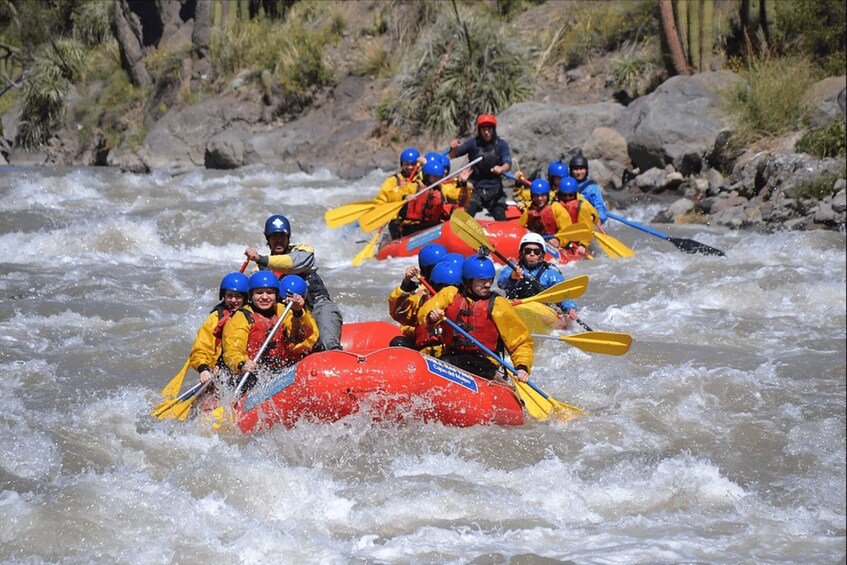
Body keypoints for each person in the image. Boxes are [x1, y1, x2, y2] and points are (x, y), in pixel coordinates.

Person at [418, 254, 533, 382]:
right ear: (468, 280)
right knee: (443, 361)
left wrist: (522, 367)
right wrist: (432, 317)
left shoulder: (498, 304)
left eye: (490, 279)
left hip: (484, 363)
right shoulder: (450, 294)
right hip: (451, 355)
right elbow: (423, 313)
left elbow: (520, 341)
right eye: (482, 280)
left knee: (447, 362)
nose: (488, 284)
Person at [244, 214, 343, 351]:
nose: (278, 241)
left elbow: (291, 263)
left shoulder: (303, 251)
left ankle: (334, 352)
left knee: (328, 342)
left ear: (288, 237)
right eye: (274, 237)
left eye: (282, 237)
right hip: (288, 315)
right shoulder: (259, 271)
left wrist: (261, 258)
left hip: (317, 306)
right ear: (267, 238)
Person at [222, 272, 318, 393]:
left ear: (276, 294)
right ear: (251, 295)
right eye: (259, 293)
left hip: (282, 371)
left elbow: (300, 336)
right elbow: (232, 349)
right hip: (252, 375)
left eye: (269, 292)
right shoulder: (242, 317)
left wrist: (298, 313)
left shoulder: (283, 310)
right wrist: (241, 364)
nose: (265, 297)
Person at [496, 232, 579, 322]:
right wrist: (512, 277)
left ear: (542, 255)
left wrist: (570, 309)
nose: (532, 254)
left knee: (551, 319)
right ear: (521, 253)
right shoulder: (511, 268)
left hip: (542, 314)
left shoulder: (551, 274)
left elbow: (563, 295)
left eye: (537, 251)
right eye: (528, 251)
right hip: (516, 307)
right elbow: (501, 284)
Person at [188, 272, 249, 385]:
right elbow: (201, 348)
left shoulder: (252, 315)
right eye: (230, 296)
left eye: (238, 296)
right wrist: (203, 369)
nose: (234, 300)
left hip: (247, 365)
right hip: (221, 370)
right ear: (223, 297)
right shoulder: (215, 318)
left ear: (245, 298)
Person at [449, 114, 512, 221]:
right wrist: (453, 148)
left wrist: (501, 169)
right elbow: (453, 155)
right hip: (476, 188)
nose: (486, 132)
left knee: (499, 213)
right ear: (479, 130)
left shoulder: (501, 144)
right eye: (483, 129)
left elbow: (508, 163)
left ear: (494, 129)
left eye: (489, 129)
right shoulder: (473, 144)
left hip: (495, 189)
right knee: (468, 213)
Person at [388, 243, 447, 347]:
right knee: (398, 343)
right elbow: (397, 313)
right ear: (426, 270)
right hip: (425, 343)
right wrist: (406, 282)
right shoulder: (419, 292)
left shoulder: (457, 289)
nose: (441, 272)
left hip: (447, 343)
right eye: (435, 268)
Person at [392, 160, 452, 238]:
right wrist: (404, 197)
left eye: (439, 177)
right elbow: (394, 194)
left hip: (430, 226)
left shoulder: (440, 189)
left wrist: (463, 183)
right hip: (411, 226)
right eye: (434, 177)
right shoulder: (413, 187)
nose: (437, 180)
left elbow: (454, 193)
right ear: (426, 176)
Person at [550, 176, 598, 255]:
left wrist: (583, 245)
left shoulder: (581, 206)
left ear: (575, 194)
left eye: (570, 195)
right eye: (564, 195)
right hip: (557, 237)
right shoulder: (553, 201)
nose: (567, 198)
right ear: (560, 194)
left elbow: (588, 228)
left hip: (574, 241)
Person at [569, 153, 608, 225]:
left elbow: (600, 208)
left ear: (586, 170)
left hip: (584, 225)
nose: (579, 172)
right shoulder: (566, 185)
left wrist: (597, 217)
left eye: (581, 169)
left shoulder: (592, 189)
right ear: (571, 171)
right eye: (576, 169)